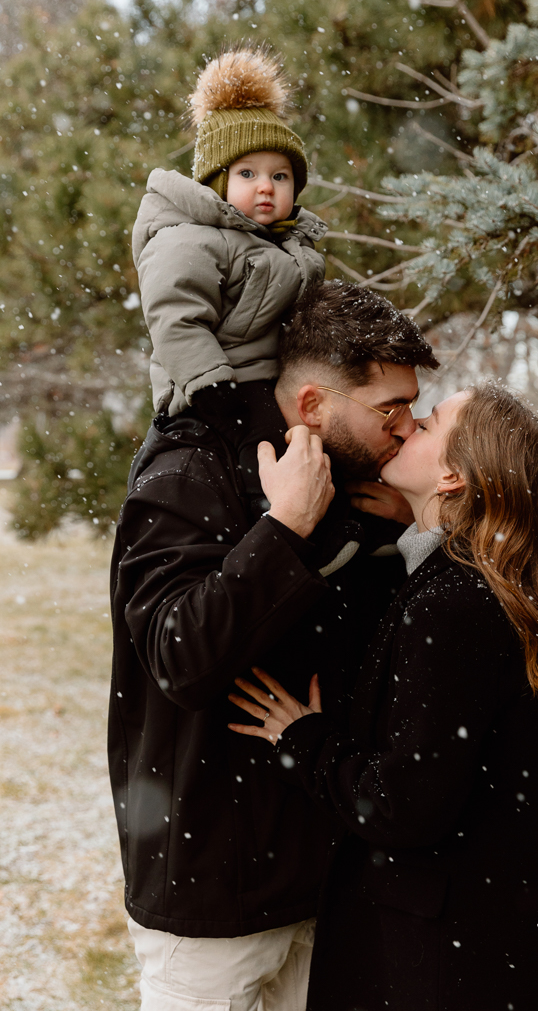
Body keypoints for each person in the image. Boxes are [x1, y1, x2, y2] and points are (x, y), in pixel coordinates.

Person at [108, 280, 438, 1010]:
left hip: (327, 870)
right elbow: (178, 656)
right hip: (212, 888)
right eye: (390, 408)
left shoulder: (352, 481)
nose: (407, 427)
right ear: (314, 404)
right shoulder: (189, 468)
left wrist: (394, 526)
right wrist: (280, 528)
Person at [229, 382, 538, 1011]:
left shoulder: (454, 605)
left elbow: (402, 806)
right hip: (479, 936)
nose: (405, 427)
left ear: (453, 477)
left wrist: (304, 740)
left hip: (438, 956)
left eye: (427, 426)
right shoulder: (474, 584)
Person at [133, 43, 328, 520]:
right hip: (216, 391)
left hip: (274, 384)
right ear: (216, 183)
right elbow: (175, 318)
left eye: (280, 175)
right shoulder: (190, 239)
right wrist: (215, 389)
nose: (267, 186)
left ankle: (337, 521)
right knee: (260, 460)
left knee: (320, 443)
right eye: (248, 173)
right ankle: (278, 521)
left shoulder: (289, 246)